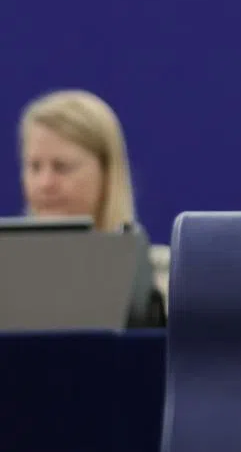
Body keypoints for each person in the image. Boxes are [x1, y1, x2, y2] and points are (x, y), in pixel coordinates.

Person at [18, 89, 165, 327]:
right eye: (34, 167)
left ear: (107, 173)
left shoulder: (163, 284)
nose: (45, 183)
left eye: (62, 167)